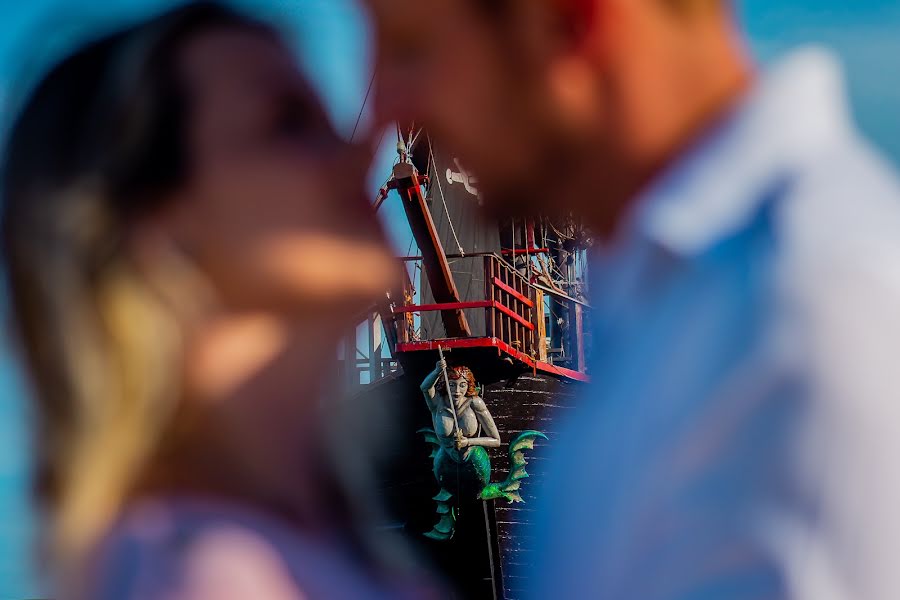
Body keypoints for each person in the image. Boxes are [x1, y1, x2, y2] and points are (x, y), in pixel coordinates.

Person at [365, 0, 900, 598]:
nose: (386, 108)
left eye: (411, 48)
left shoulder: (809, 312)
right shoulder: (677, 312)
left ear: (566, 23)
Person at [1, 3, 439, 599]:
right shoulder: (206, 574)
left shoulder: (308, 552)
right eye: (288, 122)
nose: (363, 153)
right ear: (155, 221)